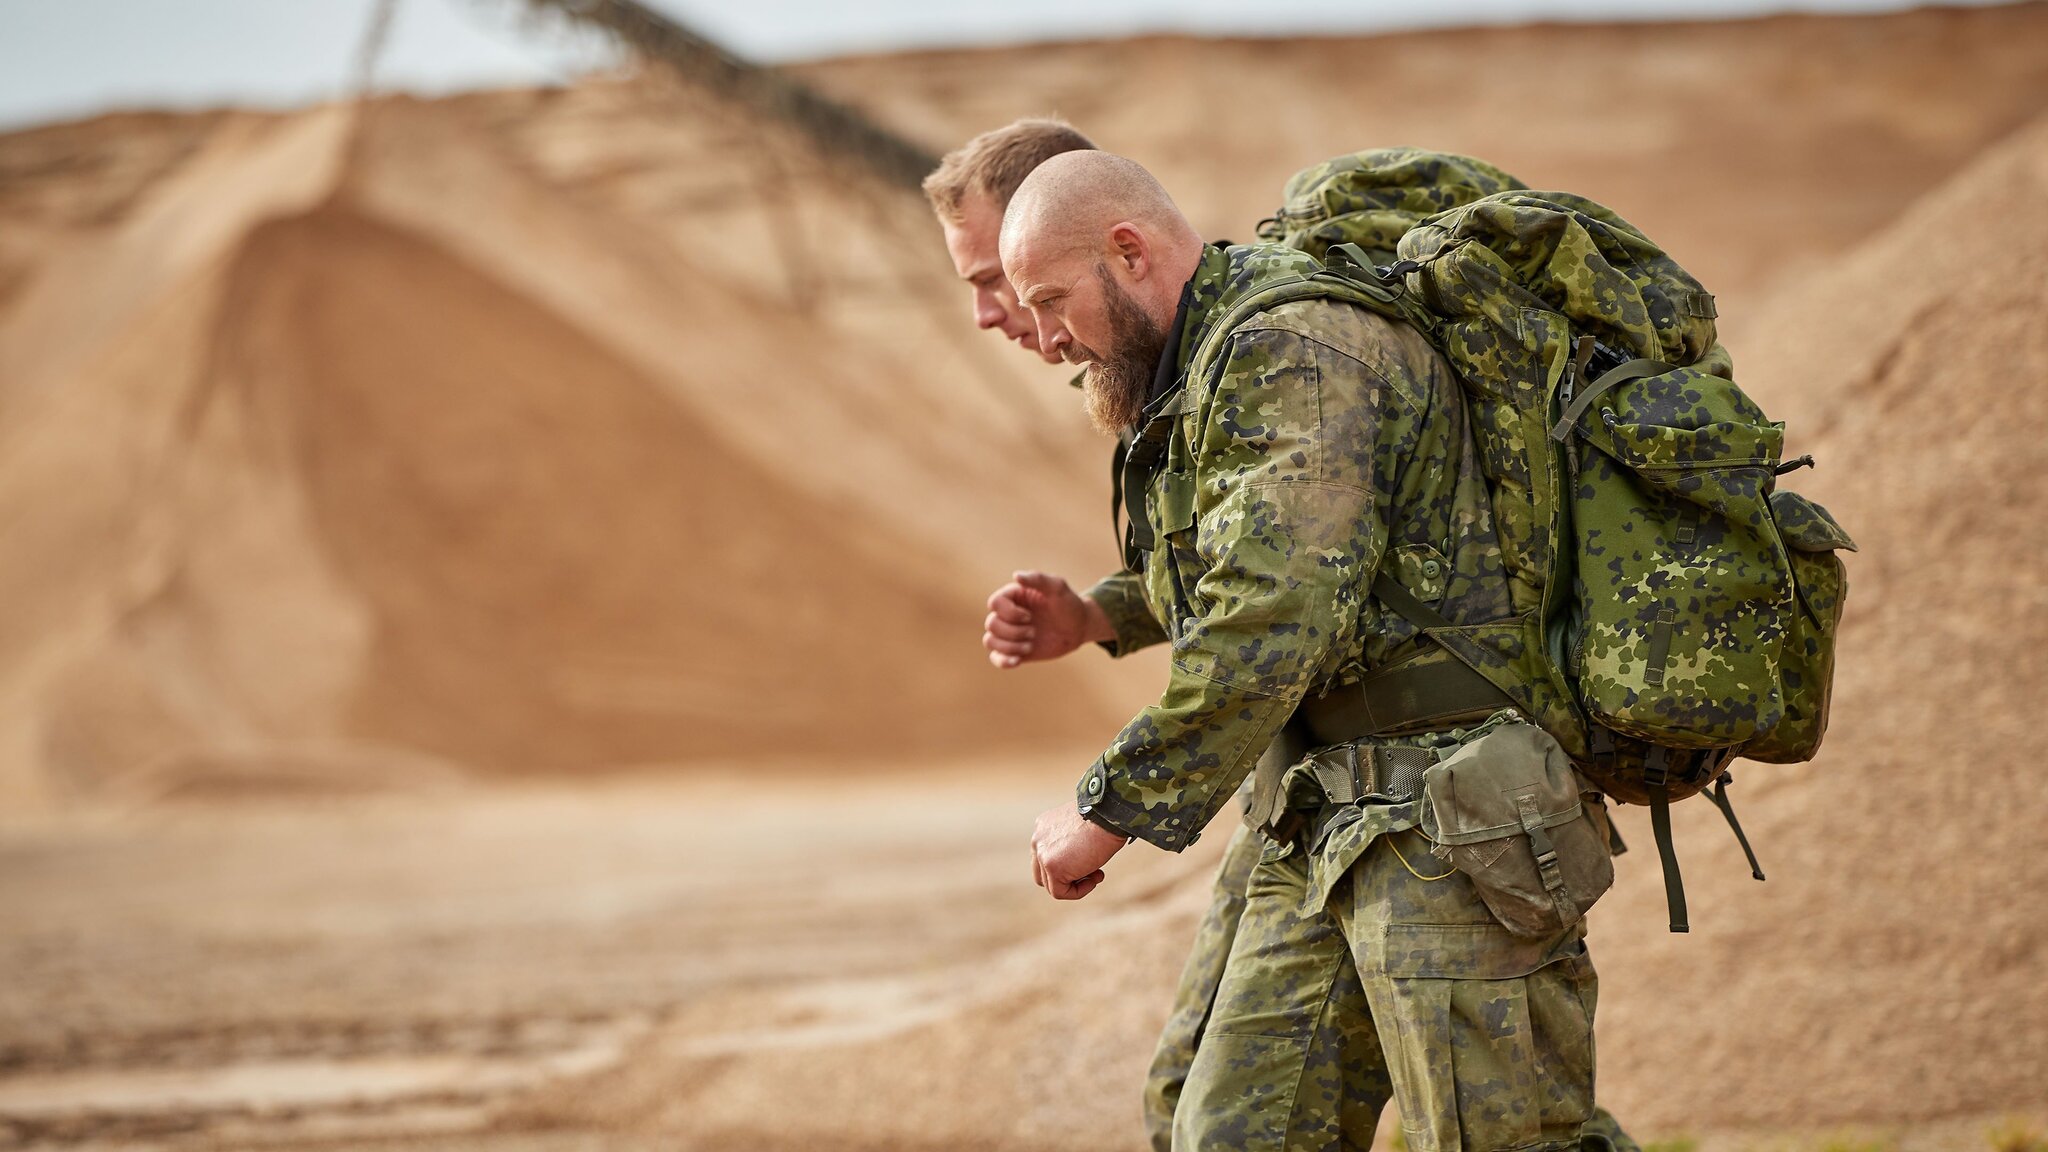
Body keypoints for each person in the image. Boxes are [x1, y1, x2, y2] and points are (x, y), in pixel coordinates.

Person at [1000, 149, 1617, 1152]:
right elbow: (1238, 565)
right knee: (1226, 1132)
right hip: (1325, 814)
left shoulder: (1292, 345)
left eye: (1048, 299)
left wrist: (1108, 806)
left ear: (1126, 249)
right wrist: (1096, 614)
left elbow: (1274, 611)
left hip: (1446, 818)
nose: (1041, 335)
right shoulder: (1211, 357)